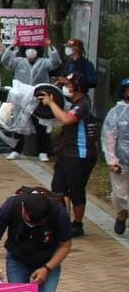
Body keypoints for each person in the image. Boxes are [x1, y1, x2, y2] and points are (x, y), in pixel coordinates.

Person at [0, 190, 72, 292]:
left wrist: (47, 269)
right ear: (23, 209)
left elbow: (65, 245)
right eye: (29, 220)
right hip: (17, 258)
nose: (32, 225)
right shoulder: (11, 205)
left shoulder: (59, 213)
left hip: (48, 260)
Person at [39, 74, 99, 237]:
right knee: (58, 187)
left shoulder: (84, 104)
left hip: (81, 155)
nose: (68, 87)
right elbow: (62, 101)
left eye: (70, 84)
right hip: (67, 153)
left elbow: (67, 119)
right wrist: (54, 89)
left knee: (76, 190)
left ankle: (77, 224)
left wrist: (51, 103)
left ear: (78, 87)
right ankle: (62, 220)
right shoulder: (75, 102)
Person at [1, 42, 61, 161]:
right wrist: (13, 46)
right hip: (22, 97)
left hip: (38, 97)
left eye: (34, 48)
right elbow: (5, 61)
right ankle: (16, 150)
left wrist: (50, 46)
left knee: (41, 124)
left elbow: (56, 62)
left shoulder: (44, 62)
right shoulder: (18, 61)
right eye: (28, 48)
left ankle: (43, 151)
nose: (31, 50)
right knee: (19, 124)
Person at [103, 78, 129, 235]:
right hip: (121, 161)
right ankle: (121, 214)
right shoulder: (116, 113)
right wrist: (111, 160)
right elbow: (109, 136)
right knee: (119, 194)